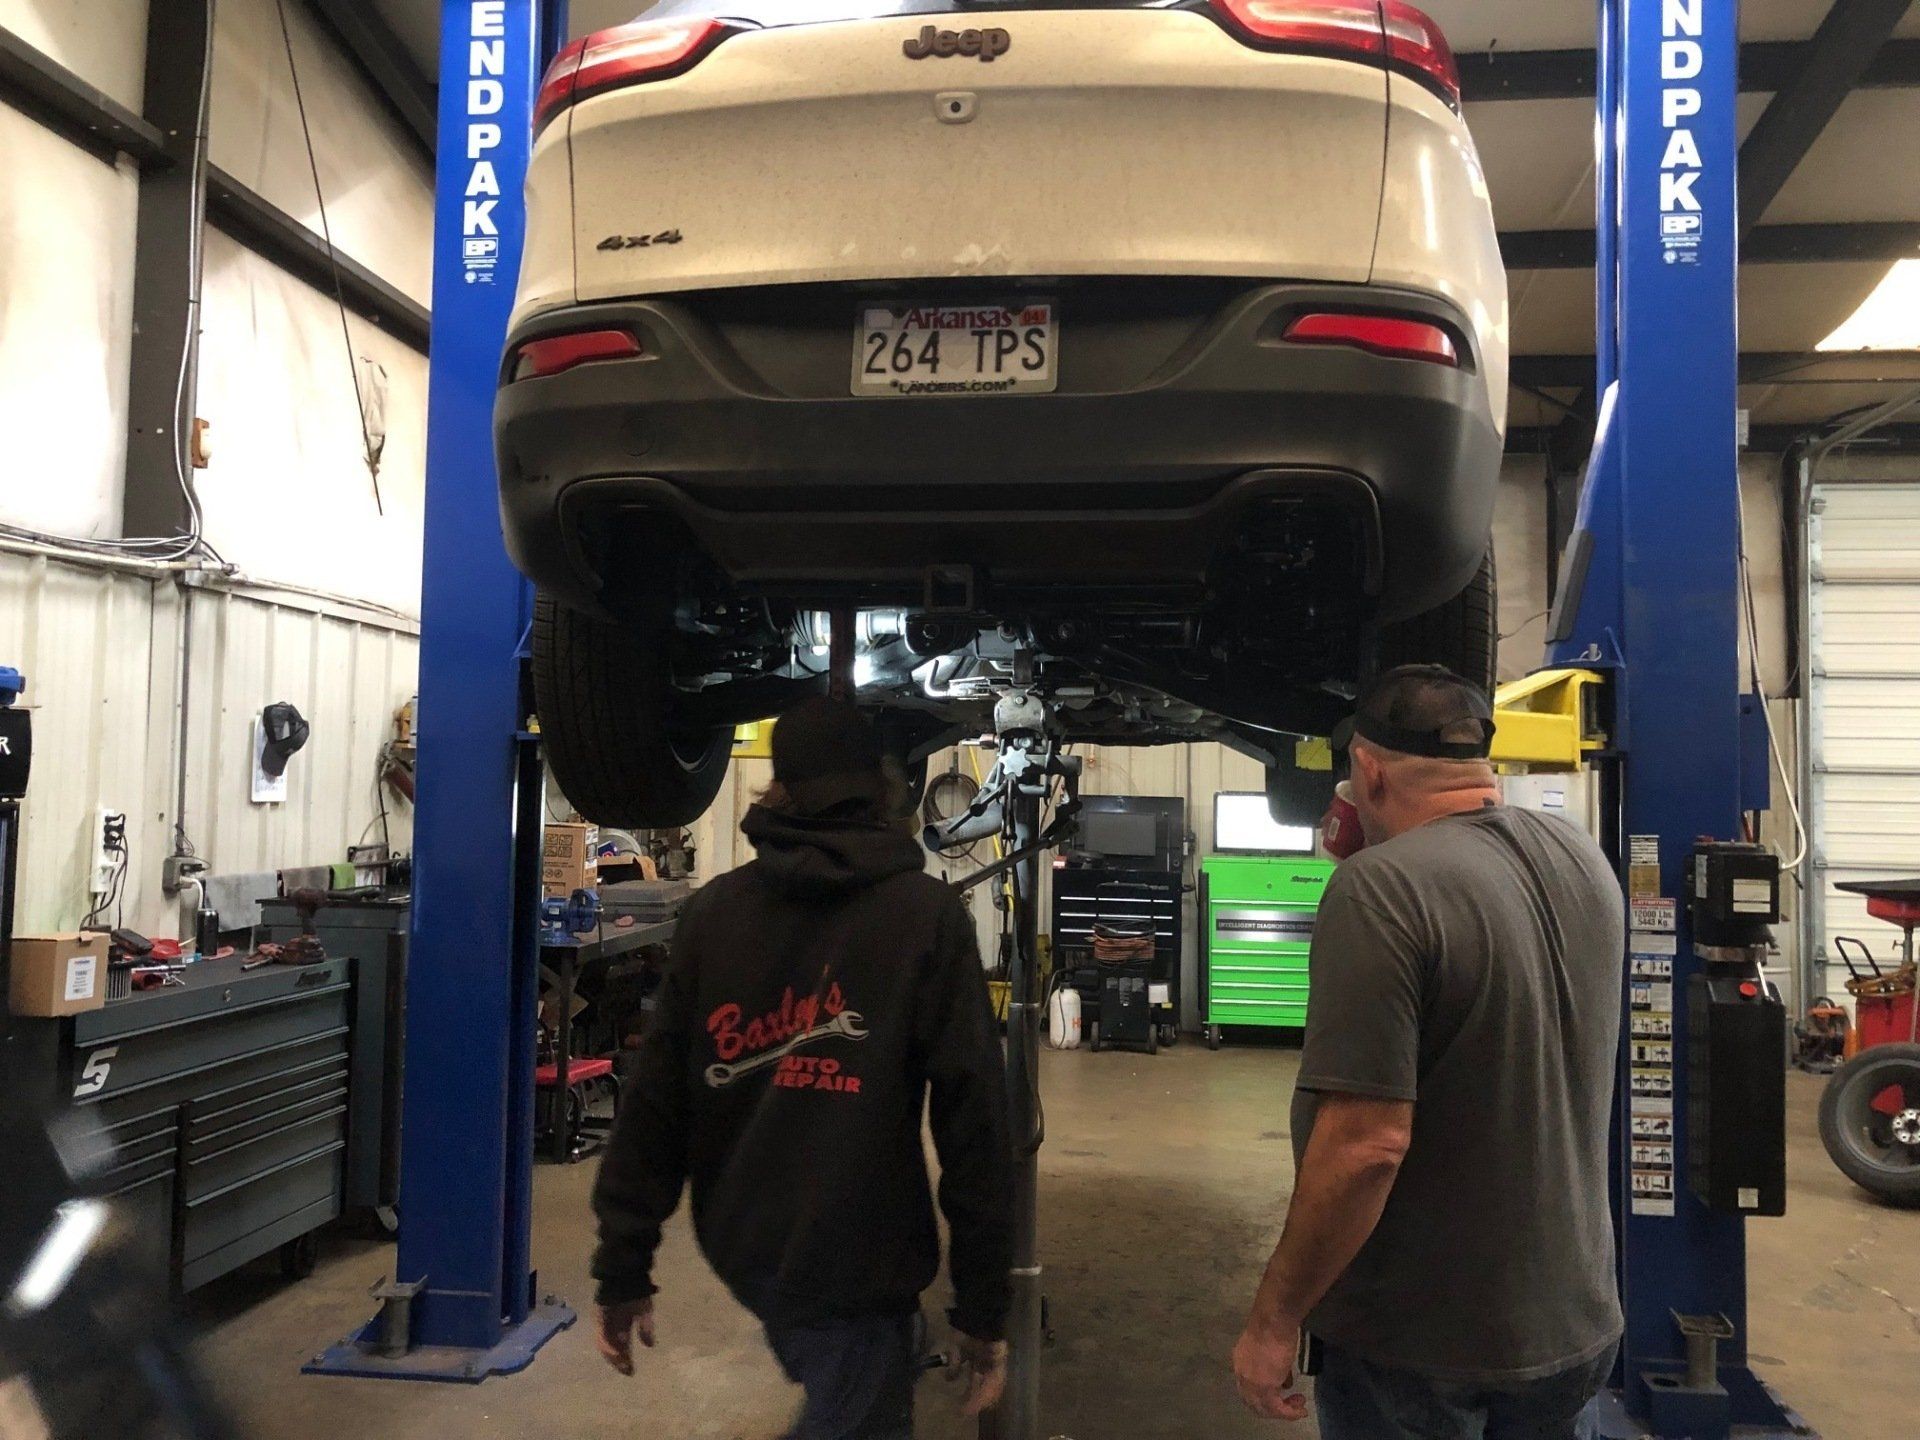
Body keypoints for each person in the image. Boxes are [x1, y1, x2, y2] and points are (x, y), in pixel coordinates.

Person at [591, 696, 1015, 1439]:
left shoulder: (714, 914)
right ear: (886, 789)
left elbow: (654, 1105)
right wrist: (982, 1308)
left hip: (744, 1242)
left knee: (864, 1380)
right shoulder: (925, 918)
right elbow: (974, 1122)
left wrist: (624, 1266)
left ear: (775, 790)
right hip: (863, 1256)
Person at [1232, 664, 1626, 1438]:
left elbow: (1366, 1148)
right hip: (1573, 1328)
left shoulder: (1381, 890)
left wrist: (1274, 1321)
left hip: (1424, 1352)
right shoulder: (1582, 859)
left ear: (1368, 771)